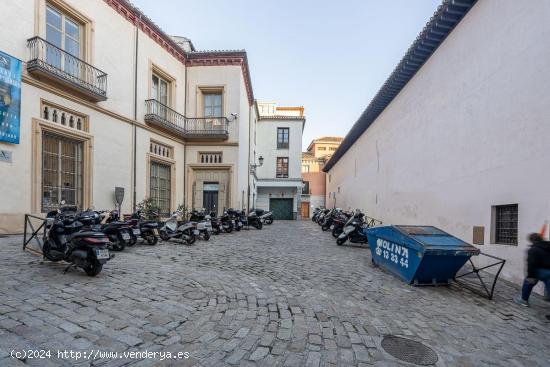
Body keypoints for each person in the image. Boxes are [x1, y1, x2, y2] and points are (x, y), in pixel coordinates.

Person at [515, 233, 550, 306]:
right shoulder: (547, 246)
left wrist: (530, 276)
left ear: (532, 240)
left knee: (529, 280)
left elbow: (531, 264)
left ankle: (524, 299)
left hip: (544, 271)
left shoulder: (533, 249)